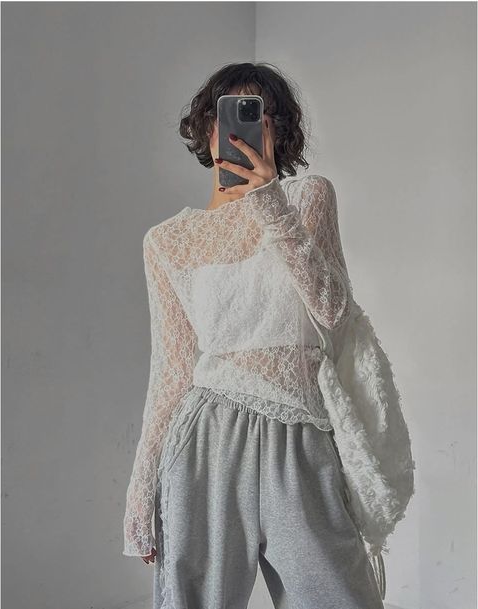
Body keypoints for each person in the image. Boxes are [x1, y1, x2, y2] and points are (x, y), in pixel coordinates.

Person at [123, 62, 386, 609]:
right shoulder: (168, 240)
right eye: (228, 114)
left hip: (299, 437)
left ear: (278, 130)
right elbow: (171, 369)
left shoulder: (308, 198)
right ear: (206, 126)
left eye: (258, 115)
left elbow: (333, 311)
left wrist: (270, 201)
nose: (240, 128)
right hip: (205, 439)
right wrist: (140, 488)